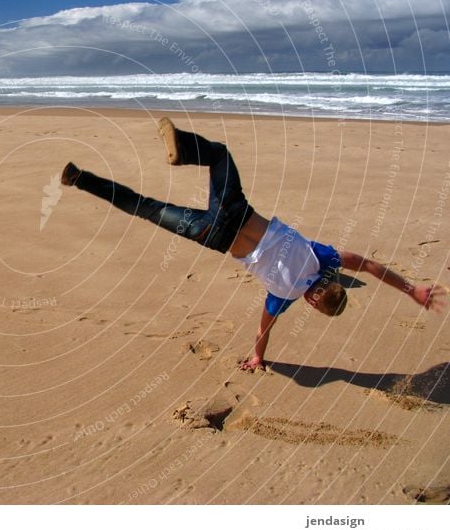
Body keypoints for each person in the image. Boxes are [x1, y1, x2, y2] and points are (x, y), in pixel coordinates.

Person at [61, 117, 446, 372]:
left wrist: (414, 289)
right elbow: (264, 328)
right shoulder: (284, 294)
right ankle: (80, 178)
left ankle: (185, 148)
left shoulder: (323, 258)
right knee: (145, 208)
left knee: (219, 155)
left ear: (331, 282)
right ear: (313, 302)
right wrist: (258, 356)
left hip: (238, 211)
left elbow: (368, 265)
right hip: (214, 235)